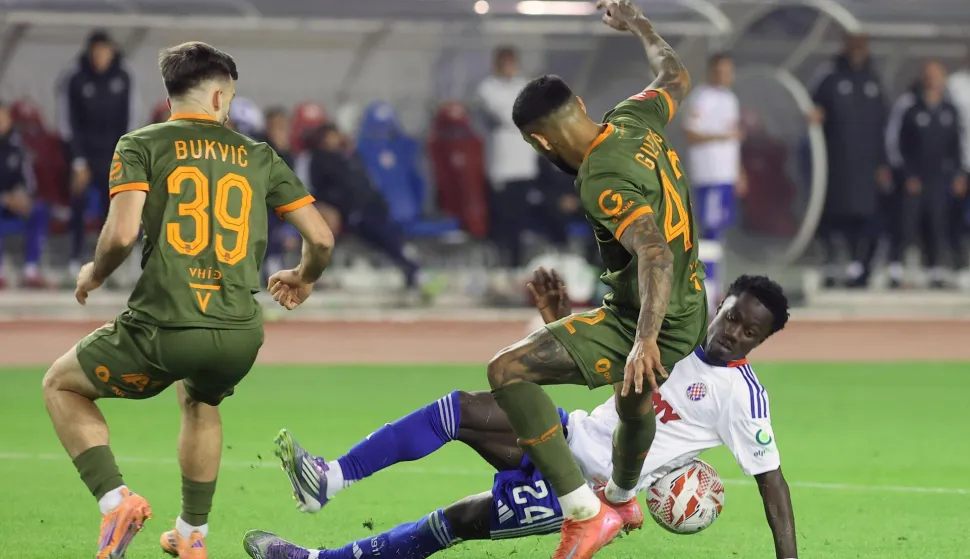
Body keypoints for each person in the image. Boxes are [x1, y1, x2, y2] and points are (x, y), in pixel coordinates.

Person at [242, 270, 797, 559]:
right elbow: (600, 364)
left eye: (751, 332)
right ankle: (329, 480)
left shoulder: (741, 397)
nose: (734, 334)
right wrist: (559, 319)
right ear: (721, 303)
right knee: (458, 409)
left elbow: (772, 484)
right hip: (568, 432)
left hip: (590, 488)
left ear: (763, 340)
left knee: (457, 521)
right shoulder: (668, 336)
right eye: (732, 317)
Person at [39, 41, 335, 559]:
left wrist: (94, 272)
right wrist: (304, 276)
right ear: (220, 97)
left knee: (60, 384)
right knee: (200, 400)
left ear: (171, 93)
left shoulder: (141, 144)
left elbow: (122, 232)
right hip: (239, 333)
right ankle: (192, 536)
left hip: (164, 326)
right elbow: (323, 239)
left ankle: (116, 503)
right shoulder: (258, 154)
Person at [486, 2, 707, 557]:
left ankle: (583, 514)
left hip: (654, 313)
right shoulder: (634, 118)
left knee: (506, 371)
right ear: (581, 106)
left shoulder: (598, 176)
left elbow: (652, 249)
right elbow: (675, 73)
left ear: (537, 142)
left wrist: (645, 338)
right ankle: (624, 496)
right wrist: (638, 23)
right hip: (691, 300)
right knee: (634, 401)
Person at [808, 34, 891, 288]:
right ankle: (832, 266)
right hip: (836, 165)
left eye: (862, 44)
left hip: (867, 167)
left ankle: (860, 267)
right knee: (833, 214)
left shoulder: (873, 81)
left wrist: (883, 163)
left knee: (866, 217)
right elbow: (812, 110)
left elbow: (884, 126)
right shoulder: (829, 77)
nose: (858, 49)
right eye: (853, 44)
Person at [56, 30, 140, 277]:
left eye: (104, 51)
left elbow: (132, 118)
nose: (100, 56)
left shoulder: (125, 75)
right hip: (83, 154)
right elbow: (67, 121)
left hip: (114, 153)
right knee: (78, 203)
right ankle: (74, 259)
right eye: (96, 51)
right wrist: (77, 160)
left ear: (112, 51)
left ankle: (110, 264)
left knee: (114, 209)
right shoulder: (75, 76)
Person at [889, 61, 967, 288]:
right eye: (929, 76)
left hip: (940, 177)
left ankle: (936, 269)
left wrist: (959, 173)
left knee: (938, 222)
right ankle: (896, 268)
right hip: (915, 177)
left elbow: (957, 145)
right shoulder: (911, 108)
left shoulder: (950, 111)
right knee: (907, 222)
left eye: (937, 76)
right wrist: (907, 174)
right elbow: (898, 143)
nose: (932, 80)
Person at [682, 53, 745, 313]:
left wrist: (739, 171)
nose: (725, 76)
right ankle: (705, 289)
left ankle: (715, 285)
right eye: (720, 71)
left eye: (729, 71)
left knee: (719, 230)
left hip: (725, 176)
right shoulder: (701, 97)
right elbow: (691, 133)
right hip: (709, 175)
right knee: (709, 230)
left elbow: (735, 140)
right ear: (711, 72)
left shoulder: (731, 99)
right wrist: (723, 135)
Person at [477, 45, 542, 268]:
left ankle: (518, 266)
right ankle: (501, 266)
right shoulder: (488, 88)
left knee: (520, 222)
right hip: (501, 169)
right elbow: (508, 114)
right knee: (501, 222)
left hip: (524, 166)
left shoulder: (526, 86)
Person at [0, 100, 50, 288]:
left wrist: (22, 197)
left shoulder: (18, 147)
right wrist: (5, 198)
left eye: (3, 118)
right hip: (2, 202)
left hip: (14, 202)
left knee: (38, 210)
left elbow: (27, 180)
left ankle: (31, 271)